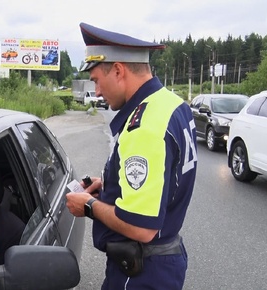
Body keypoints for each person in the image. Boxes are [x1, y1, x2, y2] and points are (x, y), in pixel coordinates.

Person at [66, 23, 198, 289]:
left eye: (96, 81)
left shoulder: (145, 126)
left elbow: (141, 227)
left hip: (141, 272)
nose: (98, 92)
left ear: (118, 70)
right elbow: (163, 174)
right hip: (161, 262)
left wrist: (89, 206)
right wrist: (108, 185)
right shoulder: (171, 103)